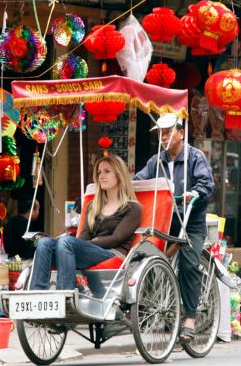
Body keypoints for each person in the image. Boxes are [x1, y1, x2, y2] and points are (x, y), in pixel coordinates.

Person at [134, 113, 214, 343]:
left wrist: (194, 193)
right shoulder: (155, 161)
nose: (164, 137)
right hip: (165, 220)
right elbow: (140, 181)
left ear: (181, 133)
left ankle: (190, 318)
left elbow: (205, 184)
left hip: (191, 221)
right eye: (161, 133)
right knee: (143, 255)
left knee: (190, 264)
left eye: (169, 132)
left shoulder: (195, 157)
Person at [30, 155, 142, 291]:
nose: (101, 176)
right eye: (99, 172)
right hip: (89, 251)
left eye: (107, 171)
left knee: (66, 242)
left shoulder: (132, 207)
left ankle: (64, 294)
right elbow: (82, 238)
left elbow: (116, 238)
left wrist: (85, 244)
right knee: (44, 243)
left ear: (119, 175)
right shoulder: (92, 206)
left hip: (112, 252)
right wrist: (79, 244)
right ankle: (36, 294)